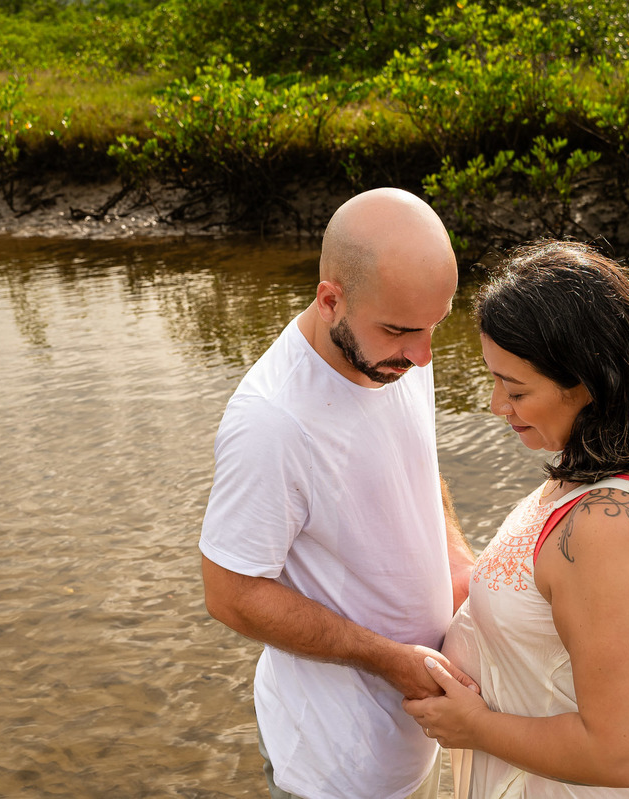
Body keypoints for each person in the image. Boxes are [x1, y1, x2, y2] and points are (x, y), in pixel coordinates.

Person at [405, 240, 629, 798]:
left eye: (516, 388)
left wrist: (472, 727)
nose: (498, 405)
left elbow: (619, 755)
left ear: (585, 383)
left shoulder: (609, 530)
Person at [199, 187, 477, 799]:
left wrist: (457, 561)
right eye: (403, 331)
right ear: (331, 299)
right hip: (335, 769)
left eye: (436, 327)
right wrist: (387, 658)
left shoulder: (397, 353)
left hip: (414, 747)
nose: (424, 355)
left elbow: (416, 467)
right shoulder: (273, 422)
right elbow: (230, 593)